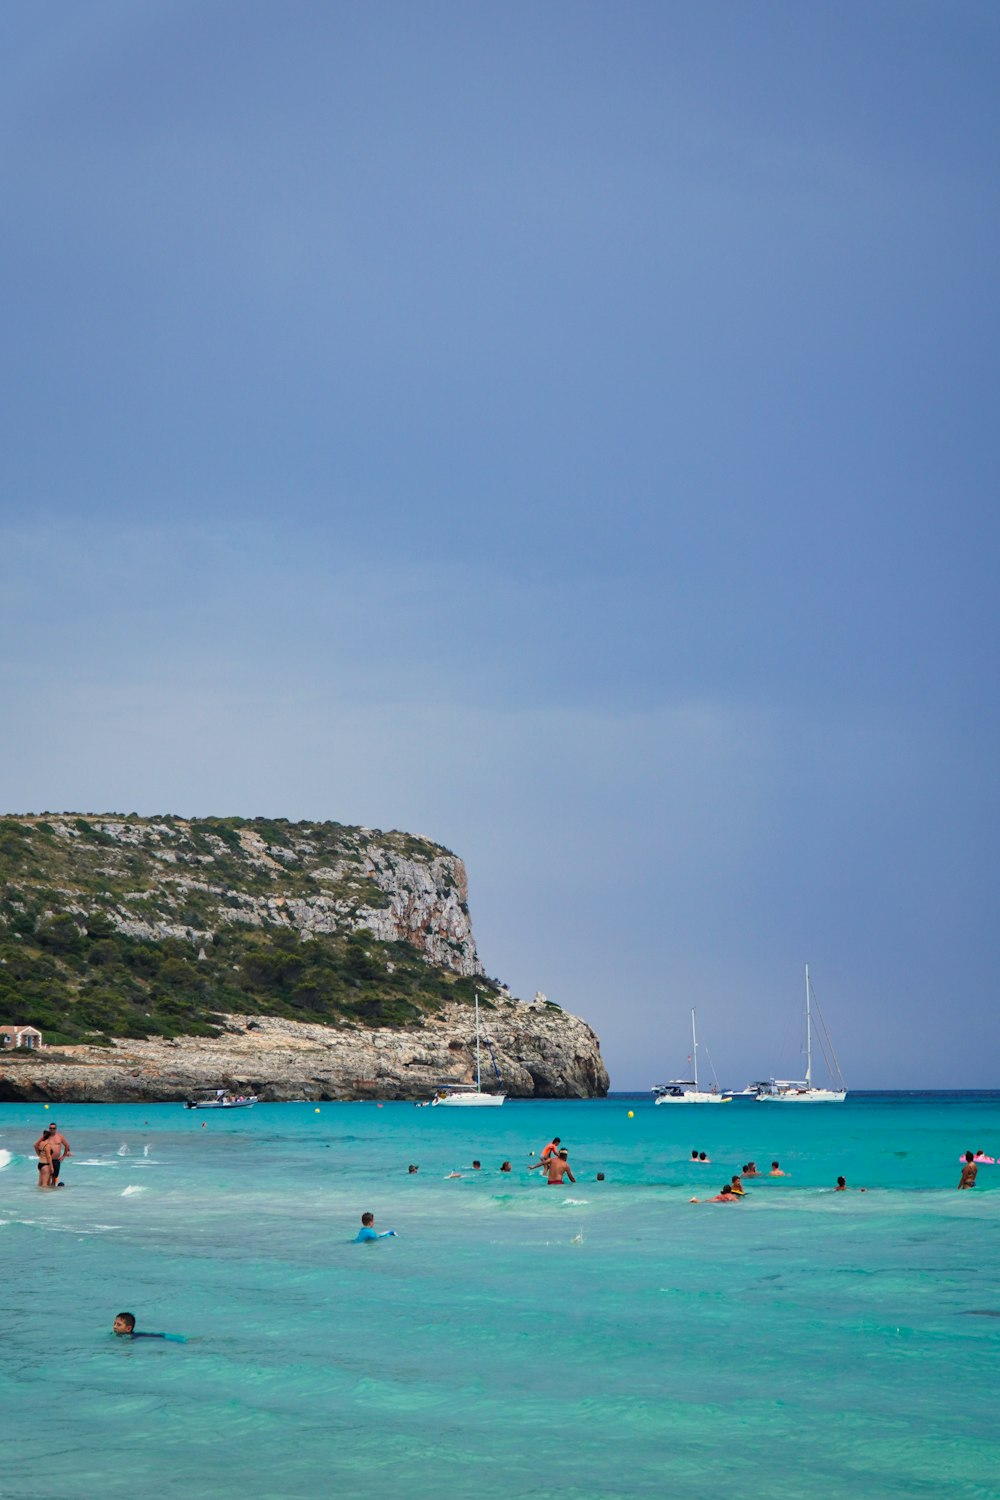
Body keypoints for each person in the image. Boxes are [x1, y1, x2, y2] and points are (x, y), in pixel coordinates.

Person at [112, 1313, 183, 1341]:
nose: (115, 1326)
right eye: (114, 1323)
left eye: (119, 1325)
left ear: (128, 1328)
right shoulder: (119, 1334)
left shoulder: (130, 1337)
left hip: (163, 1337)